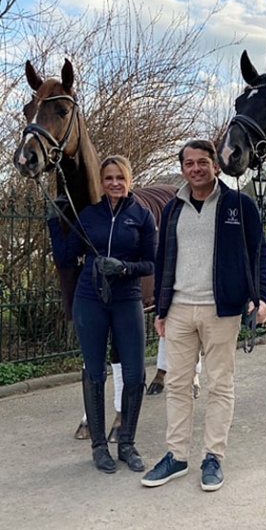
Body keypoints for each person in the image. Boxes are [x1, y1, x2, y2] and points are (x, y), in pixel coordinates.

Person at [141, 139, 266, 492]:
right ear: (182, 168)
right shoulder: (172, 209)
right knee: (178, 386)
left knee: (219, 385)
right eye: (189, 163)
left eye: (202, 162)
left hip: (221, 311)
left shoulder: (239, 205)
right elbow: (164, 259)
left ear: (215, 165)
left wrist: (261, 298)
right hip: (180, 309)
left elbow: (260, 254)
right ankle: (176, 455)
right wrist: (162, 309)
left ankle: (213, 456)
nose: (195, 168)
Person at [48, 155, 157, 474]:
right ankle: (99, 446)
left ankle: (126, 443)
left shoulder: (142, 216)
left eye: (119, 178)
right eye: (108, 178)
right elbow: (66, 257)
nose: (114, 183)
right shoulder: (90, 215)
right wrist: (55, 222)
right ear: (102, 181)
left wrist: (124, 268)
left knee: (135, 373)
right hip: (90, 298)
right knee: (95, 372)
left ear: (129, 180)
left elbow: (152, 263)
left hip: (127, 298)